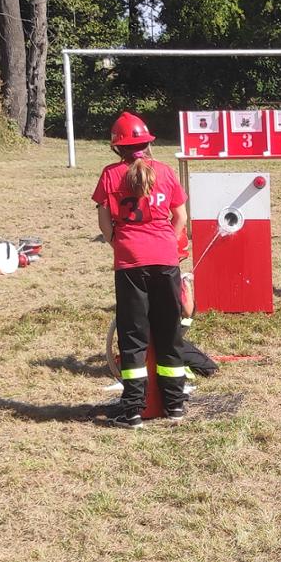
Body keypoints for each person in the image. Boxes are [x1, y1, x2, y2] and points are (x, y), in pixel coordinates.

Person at [92, 110, 191, 428]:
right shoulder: (164, 172)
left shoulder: (109, 175)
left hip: (130, 263)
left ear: (116, 147)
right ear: (148, 143)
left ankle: (133, 409)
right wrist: (167, 245)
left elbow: (105, 221)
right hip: (166, 261)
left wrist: (119, 244)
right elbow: (181, 219)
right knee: (169, 333)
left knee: (133, 338)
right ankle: (175, 404)